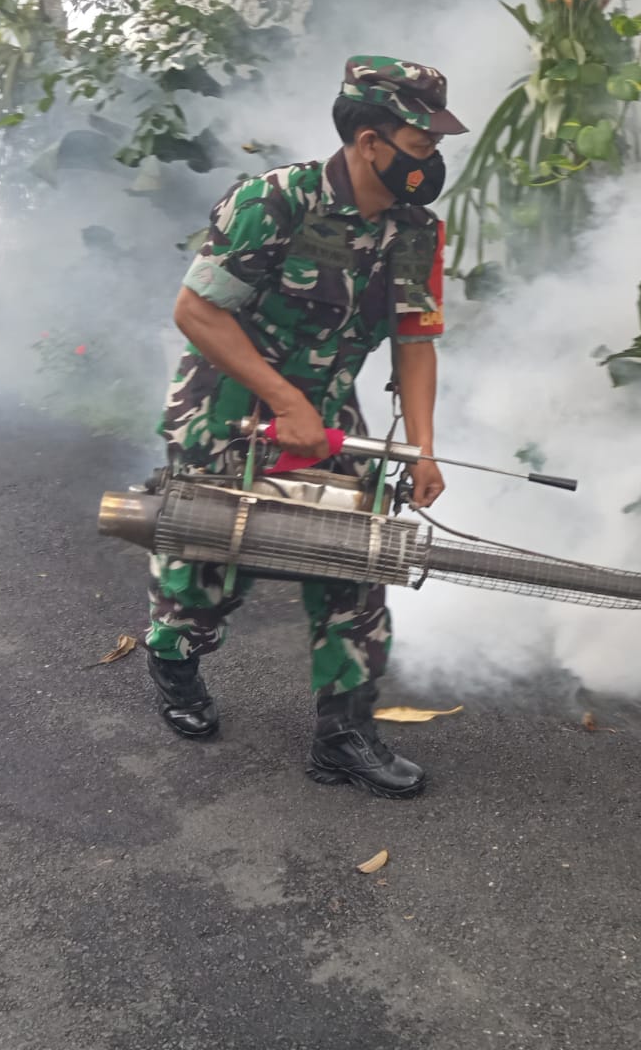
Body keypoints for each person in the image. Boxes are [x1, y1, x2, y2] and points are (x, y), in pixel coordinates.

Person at [140, 56, 467, 800]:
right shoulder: (275, 201)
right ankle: (174, 657)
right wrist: (284, 402)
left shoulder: (416, 231)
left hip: (326, 415)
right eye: (420, 141)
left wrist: (420, 448)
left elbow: (416, 342)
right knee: (208, 575)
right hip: (228, 409)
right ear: (369, 141)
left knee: (357, 561)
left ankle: (344, 735)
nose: (434, 158)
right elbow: (197, 312)